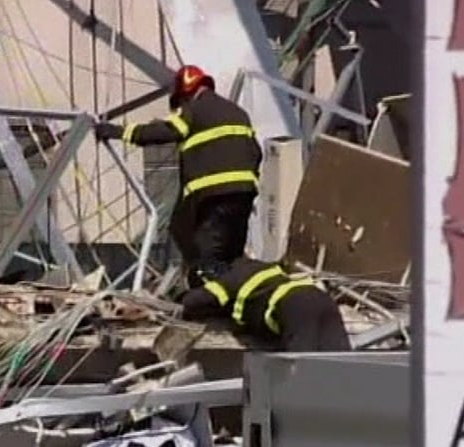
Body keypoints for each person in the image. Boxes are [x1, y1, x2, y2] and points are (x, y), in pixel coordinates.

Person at [94, 65, 262, 288]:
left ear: (185, 93)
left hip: (212, 197)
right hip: (243, 194)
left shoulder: (194, 109)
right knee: (232, 253)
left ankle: (208, 302)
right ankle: (235, 294)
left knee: (206, 254)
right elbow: (256, 152)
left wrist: (117, 132)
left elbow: (165, 131)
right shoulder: (238, 113)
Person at [176, 256, 351, 352]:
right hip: (320, 298)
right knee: (343, 364)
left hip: (294, 306)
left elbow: (198, 300)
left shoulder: (228, 280)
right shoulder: (257, 266)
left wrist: (177, 303)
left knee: (302, 367)